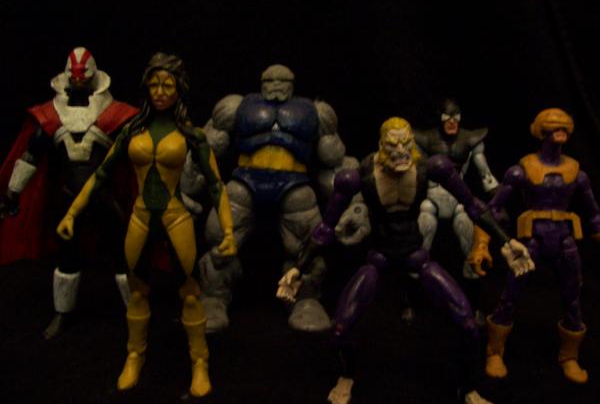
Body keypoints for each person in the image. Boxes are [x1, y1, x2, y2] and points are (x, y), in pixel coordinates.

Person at [278, 117, 534, 404]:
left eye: (405, 143)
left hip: (415, 253)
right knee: (339, 329)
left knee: (468, 325)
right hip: (379, 256)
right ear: (381, 145)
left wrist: (506, 241)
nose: (400, 151)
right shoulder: (358, 177)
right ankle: (347, 374)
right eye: (392, 145)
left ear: (412, 142)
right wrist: (298, 268)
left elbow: (473, 205)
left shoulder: (430, 168)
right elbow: (326, 227)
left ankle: (467, 388)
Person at [56, 52, 236, 397]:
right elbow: (100, 175)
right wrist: (71, 213)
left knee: (190, 294)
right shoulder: (132, 129)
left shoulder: (192, 134)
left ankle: (200, 362)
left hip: (175, 217)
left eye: (167, 84)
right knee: (137, 291)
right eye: (154, 84)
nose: (160, 91)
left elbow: (216, 184)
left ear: (179, 88)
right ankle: (134, 355)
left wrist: (228, 229)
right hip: (140, 218)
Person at [200, 64, 369, 332]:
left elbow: (336, 162)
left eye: (282, 80)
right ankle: (213, 297)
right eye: (270, 80)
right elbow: (204, 149)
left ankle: (305, 299)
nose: (276, 85)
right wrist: (184, 187)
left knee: (308, 243)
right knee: (220, 236)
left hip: (294, 184)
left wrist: (355, 204)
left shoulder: (315, 111)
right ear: (262, 82)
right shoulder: (237, 106)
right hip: (245, 180)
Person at [0, 47, 138, 338]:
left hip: (103, 197)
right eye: (74, 78)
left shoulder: (116, 116)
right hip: (68, 197)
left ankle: (135, 312)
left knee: (122, 255)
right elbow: (31, 156)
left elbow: (141, 154)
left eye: (82, 78)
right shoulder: (51, 116)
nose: (78, 82)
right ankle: (63, 312)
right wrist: (13, 191)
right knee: (67, 257)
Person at [477, 108, 600, 384]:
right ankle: (494, 351)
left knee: (572, 297)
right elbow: (491, 210)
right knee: (511, 294)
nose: (560, 130)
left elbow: (594, 215)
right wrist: (482, 244)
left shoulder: (577, 174)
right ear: (541, 131)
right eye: (553, 126)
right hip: (530, 243)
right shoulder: (520, 171)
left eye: (564, 127)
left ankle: (570, 356)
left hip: (565, 241)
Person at [413, 98, 499, 322]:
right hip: (431, 196)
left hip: (459, 197)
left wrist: (499, 198)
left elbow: (486, 175)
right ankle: (411, 301)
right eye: (447, 117)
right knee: (422, 234)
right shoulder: (425, 139)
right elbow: (417, 173)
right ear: (440, 118)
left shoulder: (470, 139)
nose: (452, 122)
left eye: (456, 117)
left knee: (469, 240)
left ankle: (474, 304)